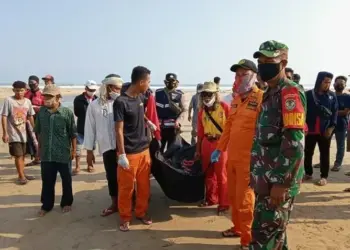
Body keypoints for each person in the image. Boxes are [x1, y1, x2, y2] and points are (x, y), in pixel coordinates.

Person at [249, 40, 306, 249]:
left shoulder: (289, 93)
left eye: (269, 61)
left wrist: (281, 181)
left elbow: (294, 143)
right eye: (260, 61)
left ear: (283, 63)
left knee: (264, 235)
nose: (263, 65)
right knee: (274, 234)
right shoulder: (269, 94)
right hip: (265, 178)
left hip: (277, 180)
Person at [211, 59, 263, 249]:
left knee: (245, 200)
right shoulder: (236, 100)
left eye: (244, 74)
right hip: (231, 158)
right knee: (232, 197)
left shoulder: (261, 99)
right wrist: (219, 149)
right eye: (237, 74)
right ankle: (238, 228)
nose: (239, 78)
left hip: (248, 160)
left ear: (254, 76)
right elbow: (228, 127)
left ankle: (247, 240)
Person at [114, 66, 152, 232]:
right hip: (129, 153)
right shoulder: (120, 102)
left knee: (144, 187)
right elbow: (118, 130)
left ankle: (141, 212)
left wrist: (148, 121)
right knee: (126, 188)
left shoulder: (140, 96)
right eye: (148, 81)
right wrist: (121, 153)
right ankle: (124, 217)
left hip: (144, 149)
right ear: (141, 81)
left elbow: (140, 112)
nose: (149, 85)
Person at [84, 74, 123, 216]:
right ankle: (114, 203)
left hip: (124, 147)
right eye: (115, 88)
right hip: (107, 147)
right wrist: (89, 150)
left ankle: (129, 201)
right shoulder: (94, 106)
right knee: (111, 176)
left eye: (120, 89)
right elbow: (90, 128)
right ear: (107, 87)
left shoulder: (123, 102)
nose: (118, 91)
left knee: (126, 176)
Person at [34, 84, 77, 216]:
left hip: (63, 153)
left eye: (50, 96)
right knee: (47, 180)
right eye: (45, 96)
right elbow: (39, 132)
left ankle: (66, 203)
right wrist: (38, 150)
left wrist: (74, 150)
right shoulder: (41, 112)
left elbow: (73, 134)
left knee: (66, 180)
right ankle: (46, 205)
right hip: (47, 154)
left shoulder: (67, 113)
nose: (46, 99)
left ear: (58, 98)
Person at [196, 81, 229, 214]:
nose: (206, 96)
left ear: (215, 94)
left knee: (221, 175)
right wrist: (198, 150)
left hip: (221, 143)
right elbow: (199, 133)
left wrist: (223, 147)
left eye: (209, 94)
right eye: (204, 94)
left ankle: (224, 203)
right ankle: (211, 199)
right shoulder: (201, 112)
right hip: (206, 143)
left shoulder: (224, 107)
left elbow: (230, 129)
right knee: (208, 174)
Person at [304, 72, 338, 186]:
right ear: (319, 81)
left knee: (324, 153)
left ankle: (324, 176)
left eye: (329, 82)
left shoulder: (332, 96)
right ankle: (308, 173)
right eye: (325, 82)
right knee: (308, 152)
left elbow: (335, 113)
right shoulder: (308, 94)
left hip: (325, 130)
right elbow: (303, 112)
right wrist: (304, 126)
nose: (327, 85)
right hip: (311, 129)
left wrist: (331, 127)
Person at [1, 81, 35, 184]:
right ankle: (21, 176)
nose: (19, 92)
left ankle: (23, 173)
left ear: (25, 90)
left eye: (21, 90)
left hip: (24, 134)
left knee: (24, 155)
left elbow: (30, 116)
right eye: (17, 90)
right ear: (13, 90)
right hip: (13, 134)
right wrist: (5, 133)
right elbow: (4, 116)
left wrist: (35, 130)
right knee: (18, 155)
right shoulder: (9, 100)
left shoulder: (28, 102)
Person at [72, 80, 98, 175]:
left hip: (93, 128)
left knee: (91, 148)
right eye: (90, 89)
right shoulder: (78, 99)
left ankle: (90, 165)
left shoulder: (97, 99)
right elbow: (76, 113)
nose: (92, 91)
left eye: (94, 90)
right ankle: (77, 166)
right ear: (86, 88)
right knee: (78, 148)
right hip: (81, 127)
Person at [155, 73, 186, 152]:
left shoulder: (180, 95)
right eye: (168, 81)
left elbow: (184, 110)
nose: (171, 83)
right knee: (158, 151)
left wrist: (178, 121)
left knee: (171, 152)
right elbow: (153, 110)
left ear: (177, 82)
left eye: (173, 81)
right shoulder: (158, 93)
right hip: (159, 128)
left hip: (173, 129)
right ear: (165, 82)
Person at [330, 76, 350, 172]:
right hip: (329, 124)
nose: (339, 85)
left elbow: (345, 112)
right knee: (324, 144)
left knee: (340, 145)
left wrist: (332, 112)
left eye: (342, 83)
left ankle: (337, 164)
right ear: (334, 84)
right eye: (338, 83)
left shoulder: (347, 97)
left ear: (345, 85)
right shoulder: (329, 95)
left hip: (341, 125)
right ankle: (322, 161)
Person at [24, 75, 44, 166]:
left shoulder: (42, 94)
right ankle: (35, 157)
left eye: (33, 83)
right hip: (27, 119)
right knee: (30, 139)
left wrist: (35, 108)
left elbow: (46, 107)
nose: (31, 85)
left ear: (37, 83)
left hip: (39, 118)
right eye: (30, 83)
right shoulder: (26, 93)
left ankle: (40, 158)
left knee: (39, 138)